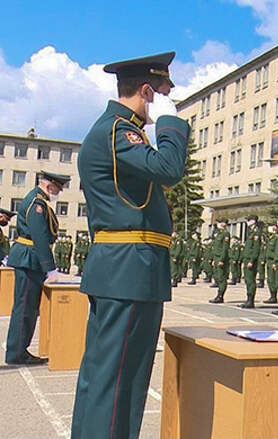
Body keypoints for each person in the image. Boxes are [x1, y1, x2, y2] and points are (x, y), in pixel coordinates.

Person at [70, 51, 189, 439]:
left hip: (126, 269)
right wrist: (172, 122)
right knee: (118, 380)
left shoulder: (114, 130)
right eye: (159, 93)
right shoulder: (120, 131)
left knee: (109, 378)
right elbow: (168, 170)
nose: (159, 103)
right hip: (129, 269)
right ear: (144, 89)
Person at [5, 171, 68, 365]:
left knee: (28, 308)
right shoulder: (36, 203)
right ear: (50, 185)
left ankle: (19, 350)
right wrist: (50, 269)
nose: (58, 192)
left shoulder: (38, 201)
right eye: (58, 188)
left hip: (30, 259)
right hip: (29, 258)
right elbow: (40, 237)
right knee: (24, 308)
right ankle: (17, 353)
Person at [240, 215, 261, 308]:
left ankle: (251, 301)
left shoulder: (256, 233)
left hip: (251, 260)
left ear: (253, 221)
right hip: (247, 259)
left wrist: (252, 260)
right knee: (248, 281)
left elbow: (256, 249)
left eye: (249, 220)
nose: (247, 222)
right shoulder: (251, 232)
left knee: (251, 281)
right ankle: (248, 300)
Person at [210, 218, 231, 303]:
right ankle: (218, 294)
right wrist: (213, 259)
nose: (218, 224)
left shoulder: (225, 234)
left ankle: (220, 296)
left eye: (219, 222)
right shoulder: (218, 233)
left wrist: (221, 259)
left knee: (222, 278)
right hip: (216, 257)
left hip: (221, 258)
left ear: (224, 224)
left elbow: (225, 249)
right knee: (217, 276)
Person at [264, 224, 278, 304]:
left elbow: (277, 251)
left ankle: (274, 296)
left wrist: (275, 262)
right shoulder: (270, 238)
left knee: (273, 280)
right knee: (270, 280)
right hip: (269, 261)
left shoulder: (276, 238)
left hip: (273, 261)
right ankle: (272, 295)